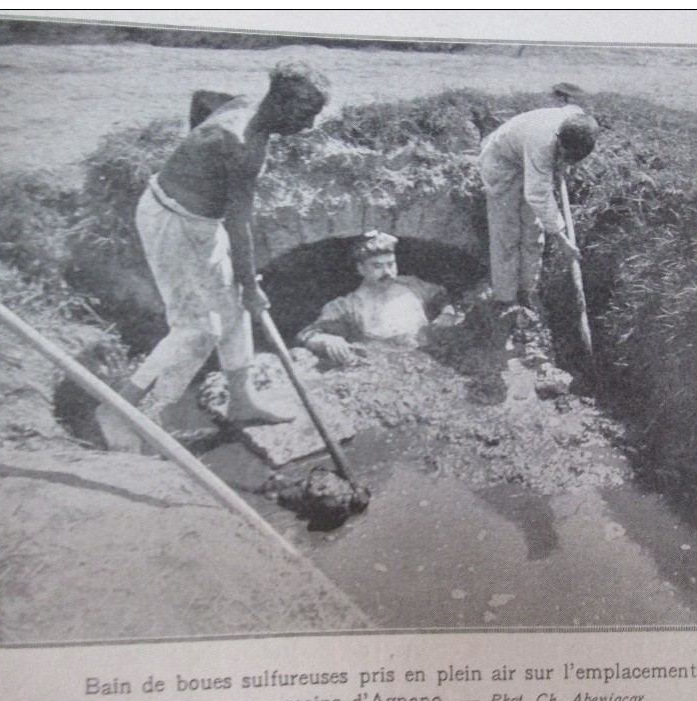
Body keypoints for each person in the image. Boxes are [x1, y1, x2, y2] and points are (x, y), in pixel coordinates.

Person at [96, 62, 330, 452]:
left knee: (233, 306)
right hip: (173, 221)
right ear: (283, 104)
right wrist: (252, 284)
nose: (310, 126)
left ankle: (242, 401)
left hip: (198, 220)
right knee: (197, 329)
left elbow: (202, 99)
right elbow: (239, 224)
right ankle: (121, 410)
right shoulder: (242, 146)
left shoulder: (246, 103)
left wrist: (198, 169)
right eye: (307, 115)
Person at [477, 105, 600, 315]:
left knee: (533, 233)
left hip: (529, 163)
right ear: (558, 138)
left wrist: (561, 163)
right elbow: (538, 194)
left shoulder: (577, 121)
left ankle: (527, 292)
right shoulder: (542, 143)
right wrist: (563, 240)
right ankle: (506, 300)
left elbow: (541, 184)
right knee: (507, 234)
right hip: (502, 161)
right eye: (562, 154)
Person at [296, 231, 455, 365]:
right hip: (383, 370)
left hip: (431, 361)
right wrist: (328, 341)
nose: (387, 272)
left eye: (391, 264)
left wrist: (447, 313)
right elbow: (308, 335)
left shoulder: (411, 284)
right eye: (377, 266)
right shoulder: (346, 307)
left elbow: (441, 296)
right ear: (361, 269)